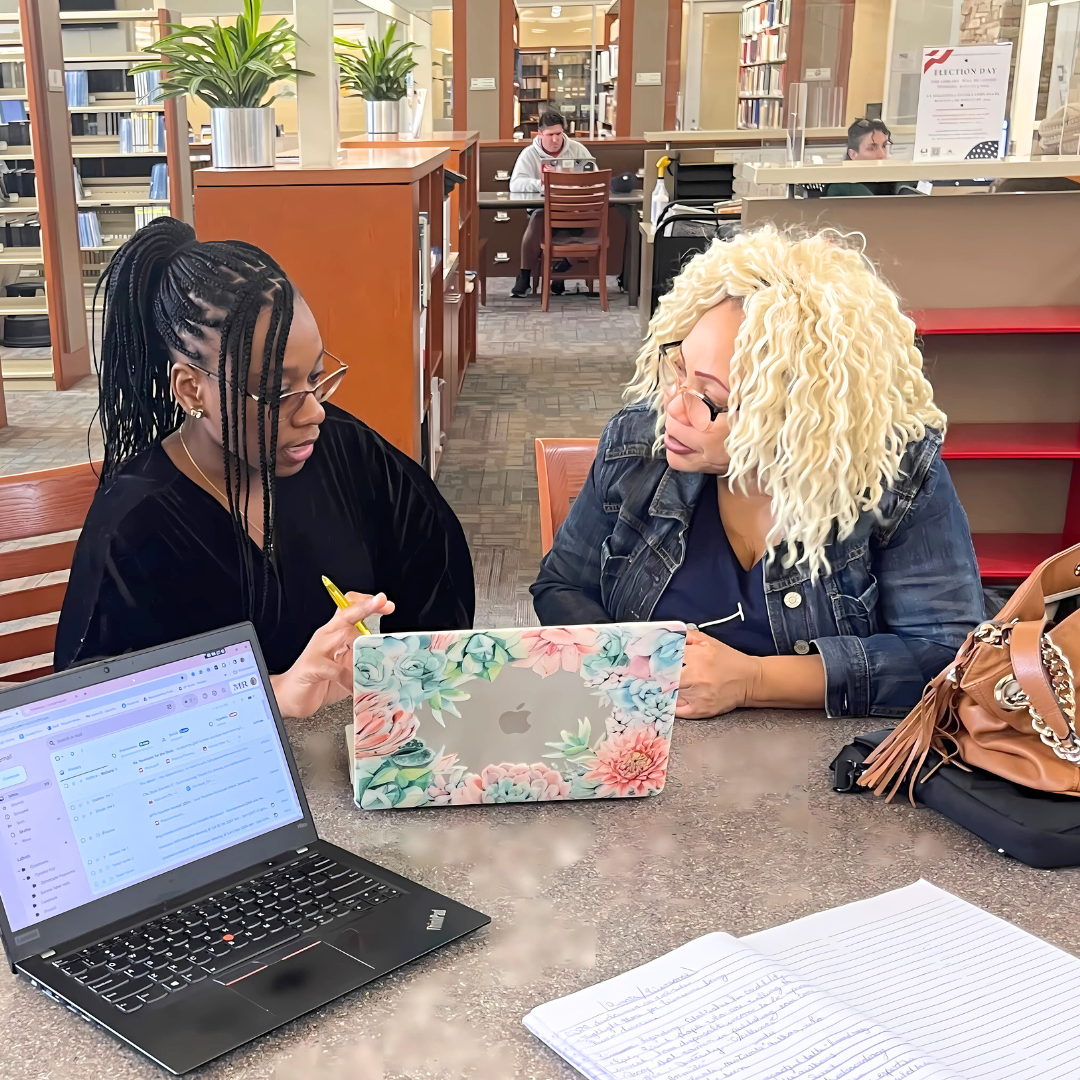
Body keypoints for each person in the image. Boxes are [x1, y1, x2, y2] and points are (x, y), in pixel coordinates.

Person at [531, 225, 984, 721]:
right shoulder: (638, 443)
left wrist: (752, 680)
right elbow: (562, 586)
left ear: (801, 418)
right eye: (678, 369)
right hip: (653, 741)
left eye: (711, 398)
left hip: (830, 757)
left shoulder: (891, 475)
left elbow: (948, 655)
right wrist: (630, 669)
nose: (673, 408)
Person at [55, 217, 474, 719]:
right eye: (277, 392)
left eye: (316, 377)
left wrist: (410, 682)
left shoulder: (342, 449)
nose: (314, 411)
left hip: (352, 746)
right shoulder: (133, 525)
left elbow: (435, 559)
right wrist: (273, 692)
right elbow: (89, 717)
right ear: (191, 389)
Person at [509, 109, 596, 298]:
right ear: (540, 134)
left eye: (559, 134)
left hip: (574, 211)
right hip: (543, 211)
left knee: (589, 222)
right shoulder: (529, 154)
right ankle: (524, 276)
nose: (556, 140)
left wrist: (575, 183)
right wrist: (541, 184)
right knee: (538, 218)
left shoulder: (577, 149)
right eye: (550, 135)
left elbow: (594, 177)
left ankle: (562, 268)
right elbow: (515, 184)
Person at [823, 118, 900, 197]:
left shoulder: (893, 181)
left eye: (884, 146)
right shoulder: (841, 186)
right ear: (853, 154)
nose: (882, 154)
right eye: (871, 148)